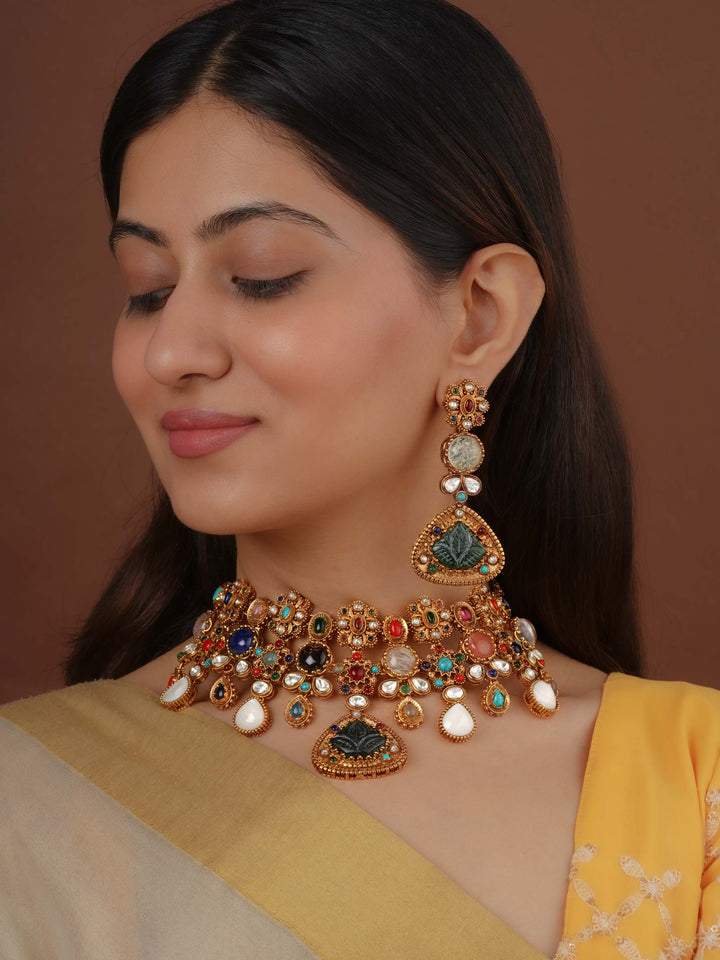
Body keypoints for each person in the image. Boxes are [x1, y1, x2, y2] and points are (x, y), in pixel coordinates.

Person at [1, 0, 718, 957]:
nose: (169, 351)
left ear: (479, 315)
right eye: (147, 287)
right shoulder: (33, 792)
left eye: (262, 275)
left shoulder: (690, 788)